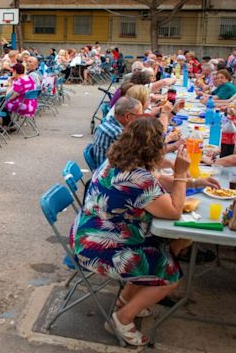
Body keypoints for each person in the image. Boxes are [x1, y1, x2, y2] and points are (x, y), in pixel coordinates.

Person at [70, 117, 188, 346]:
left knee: (167, 246)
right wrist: (182, 175)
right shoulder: (138, 178)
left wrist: (194, 182)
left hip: (87, 233)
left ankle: (124, 302)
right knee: (170, 275)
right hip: (97, 247)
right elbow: (174, 211)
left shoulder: (115, 161)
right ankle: (121, 319)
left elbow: (158, 180)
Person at [90, 97, 143, 170]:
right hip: (109, 174)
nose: (140, 119)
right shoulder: (118, 133)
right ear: (128, 116)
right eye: (139, 116)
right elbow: (138, 156)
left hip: (102, 169)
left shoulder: (107, 123)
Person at [3, 63, 36, 128]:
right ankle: (7, 124)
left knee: (3, 104)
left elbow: (8, 96)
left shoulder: (19, 81)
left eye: (12, 71)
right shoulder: (29, 78)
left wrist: (10, 84)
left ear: (15, 71)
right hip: (32, 105)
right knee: (5, 103)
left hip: (23, 106)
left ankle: (7, 125)